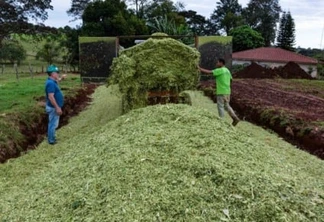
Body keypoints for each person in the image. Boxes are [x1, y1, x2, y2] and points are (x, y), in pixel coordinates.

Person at [198, 58, 240, 126]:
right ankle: (235, 118)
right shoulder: (227, 70)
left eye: (217, 62)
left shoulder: (220, 70)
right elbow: (231, 80)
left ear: (221, 63)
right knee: (227, 105)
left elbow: (209, 72)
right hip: (227, 91)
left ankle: (222, 121)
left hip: (221, 91)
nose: (216, 64)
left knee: (220, 106)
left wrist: (199, 68)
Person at [45, 65, 66, 145]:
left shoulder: (53, 81)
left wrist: (62, 79)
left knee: (54, 123)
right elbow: (51, 96)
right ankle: (51, 140)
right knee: (53, 124)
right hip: (53, 107)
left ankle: (52, 138)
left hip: (54, 107)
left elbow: (57, 81)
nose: (58, 74)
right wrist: (57, 107)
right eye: (57, 73)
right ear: (52, 74)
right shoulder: (50, 83)